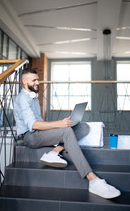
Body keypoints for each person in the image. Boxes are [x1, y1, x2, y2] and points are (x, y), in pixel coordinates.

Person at [14, 68, 121, 199]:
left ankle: (54, 152)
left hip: (39, 133)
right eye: (34, 80)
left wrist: (61, 124)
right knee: (66, 130)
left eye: (38, 79)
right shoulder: (22, 99)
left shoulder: (34, 98)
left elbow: (40, 123)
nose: (38, 82)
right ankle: (93, 180)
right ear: (24, 82)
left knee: (83, 127)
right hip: (30, 137)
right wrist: (60, 124)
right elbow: (33, 125)